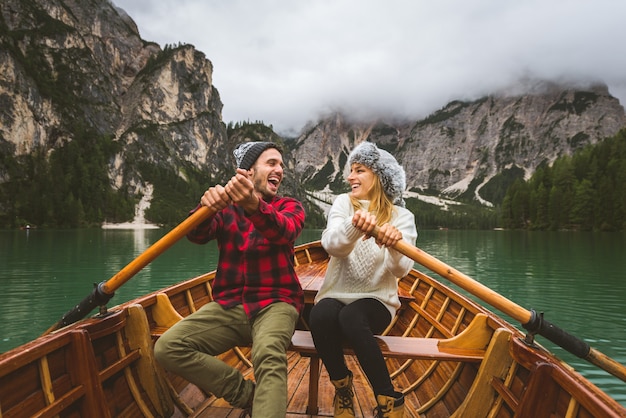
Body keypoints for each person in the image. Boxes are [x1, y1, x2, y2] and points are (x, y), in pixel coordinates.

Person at [154, 141, 306, 417]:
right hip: (229, 305)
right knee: (168, 347)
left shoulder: (290, 206)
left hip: (276, 303)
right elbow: (197, 235)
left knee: (268, 354)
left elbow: (284, 232)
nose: (280, 170)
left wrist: (252, 205)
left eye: (281, 165)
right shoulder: (225, 208)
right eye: (272, 163)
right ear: (247, 172)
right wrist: (206, 205)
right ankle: (247, 395)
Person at [308, 141, 417, 418]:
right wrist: (354, 226)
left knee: (352, 317)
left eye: (359, 170)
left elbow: (401, 269)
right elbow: (333, 245)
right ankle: (343, 388)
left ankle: (390, 400)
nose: (350, 177)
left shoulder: (402, 217)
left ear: (380, 177)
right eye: (350, 170)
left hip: (377, 301)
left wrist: (394, 243)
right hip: (336, 293)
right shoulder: (343, 203)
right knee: (319, 314)